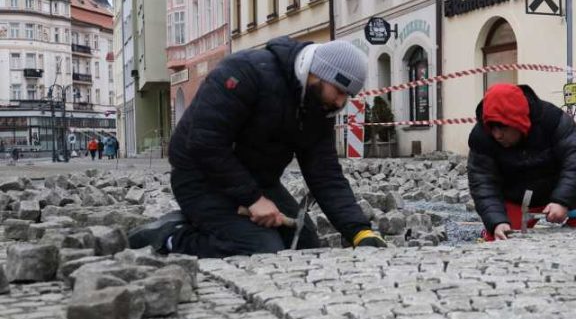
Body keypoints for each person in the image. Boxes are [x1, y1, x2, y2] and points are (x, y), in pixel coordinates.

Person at [128, 37, 386, 257]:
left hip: (257, 182)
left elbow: (325, 173)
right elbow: (205, 142)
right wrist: (252, 199)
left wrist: (359, 231)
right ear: (317, 73)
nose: (340, 102)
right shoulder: (245, 72)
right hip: (200, 178)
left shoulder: (318, 107)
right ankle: (172, 237)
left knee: (305, 242)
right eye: (339, 91)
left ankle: (215, 224)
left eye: (347, 96)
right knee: (262, 249)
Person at [468, 83, 576, 241]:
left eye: (502, 128)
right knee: (500, 239)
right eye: (492, 128)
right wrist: (497, 222)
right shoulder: (481, 138)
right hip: (516, 199)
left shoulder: (552, 119)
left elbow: (574, 159)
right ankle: (491, 231)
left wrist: (562, 200)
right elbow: (483, 184)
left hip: (555, 186)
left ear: (518, 121)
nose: (497, 135)